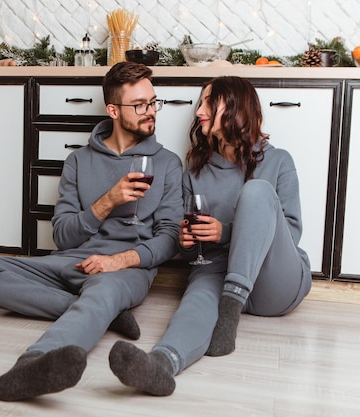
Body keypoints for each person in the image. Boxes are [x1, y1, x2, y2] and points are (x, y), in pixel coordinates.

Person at [0, 61, 183, 401]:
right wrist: (107, 201)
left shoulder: (167, 164)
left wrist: (119, 261)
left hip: (124, 270)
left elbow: (169, 237)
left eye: (153, 102)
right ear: (113, 110)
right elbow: (62, 236)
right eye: (140, 105)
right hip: (68, 262)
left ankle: (31, 363)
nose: (151, 112)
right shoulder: (79, 161)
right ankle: (103, 314)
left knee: (102, 294)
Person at [108, 76, 312, 396]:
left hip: (275, 281)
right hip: (217, 269)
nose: (199, 111)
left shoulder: (277, 160)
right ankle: (162, 363)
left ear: (234, 108)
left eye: (207, 102)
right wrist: (188, 244)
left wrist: (224, 232)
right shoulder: (196, 171)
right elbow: (195, 255)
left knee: (257, 192)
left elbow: (292, 233)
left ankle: (228, 313)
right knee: (194, 303)